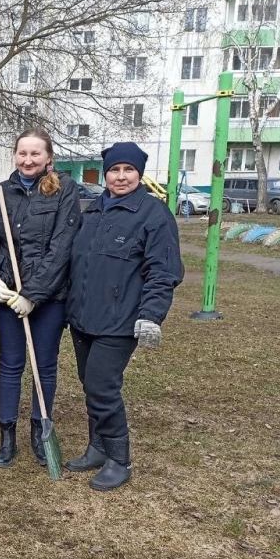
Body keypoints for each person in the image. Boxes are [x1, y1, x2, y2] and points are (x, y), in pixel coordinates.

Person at [65, 142, 184, 491]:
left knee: (103, 385)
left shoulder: (153, 215)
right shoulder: (92, 212)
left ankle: (120, 457)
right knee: (90, 383)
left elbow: (163, 271)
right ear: (106, 174)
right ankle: (97, 447)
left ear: (139, 174)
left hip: (120, 320)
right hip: (84, 317)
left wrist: (151, 315)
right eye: (114, 170)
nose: (120, 177)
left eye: (127, 170)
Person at [0, 127, 81, 469]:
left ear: (48, 157)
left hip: (50, 298)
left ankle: (40, 432)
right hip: (8, 296)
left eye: (35, 154)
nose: (28, 160)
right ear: (14, 155)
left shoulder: (64, 190)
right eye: (22, 153)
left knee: (44, 365)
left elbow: (62, 248)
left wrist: (33, 295)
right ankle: (6, 437)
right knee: (10, 365)